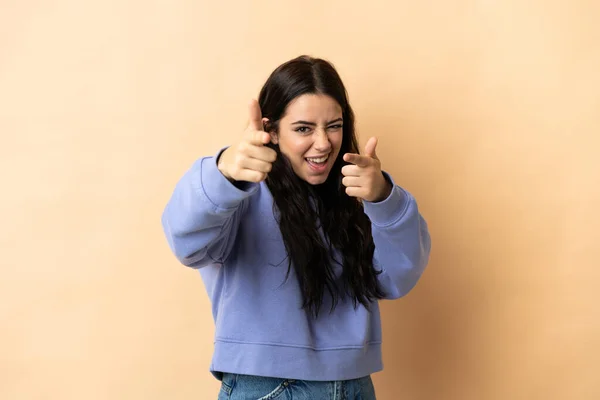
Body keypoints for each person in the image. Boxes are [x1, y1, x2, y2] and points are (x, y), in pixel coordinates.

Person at [161, 55, 431, 400]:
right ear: (270, 130)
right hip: (268, 386)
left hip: (355, 385)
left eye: (334, 125)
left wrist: (384, 198)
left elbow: (396, 278)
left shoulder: (354, 191)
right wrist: (223, 171)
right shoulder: (240, 191)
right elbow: (185, 240)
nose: (323, 143)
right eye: (303, 128)